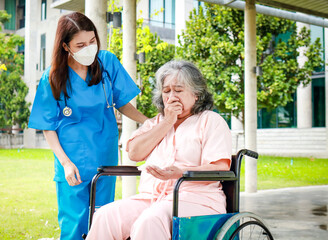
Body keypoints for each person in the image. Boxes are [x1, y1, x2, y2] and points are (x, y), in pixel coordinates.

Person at [28, 12, 147, 240]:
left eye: (92, 41)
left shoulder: (107, 62)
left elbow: (122, 102)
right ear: (66, 46)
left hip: (105, 155)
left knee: (103, 219)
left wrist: (148, 121)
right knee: (75, 222)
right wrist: (65, 163)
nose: (89, 48)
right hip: (72, 159)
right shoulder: (52, 77)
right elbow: (48, 126)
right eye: (80, 44)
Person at [86, 60, 232, 240]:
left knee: (149, 221)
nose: (172, 96)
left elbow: (220, 167)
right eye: (166, 91)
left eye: (178, 90)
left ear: (196, 94)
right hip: (152, 198)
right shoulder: (157, 122)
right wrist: (167, 122)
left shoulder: (211, 121)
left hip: (197, 199)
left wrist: (181, 173)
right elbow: (134, 153)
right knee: (105, 216)